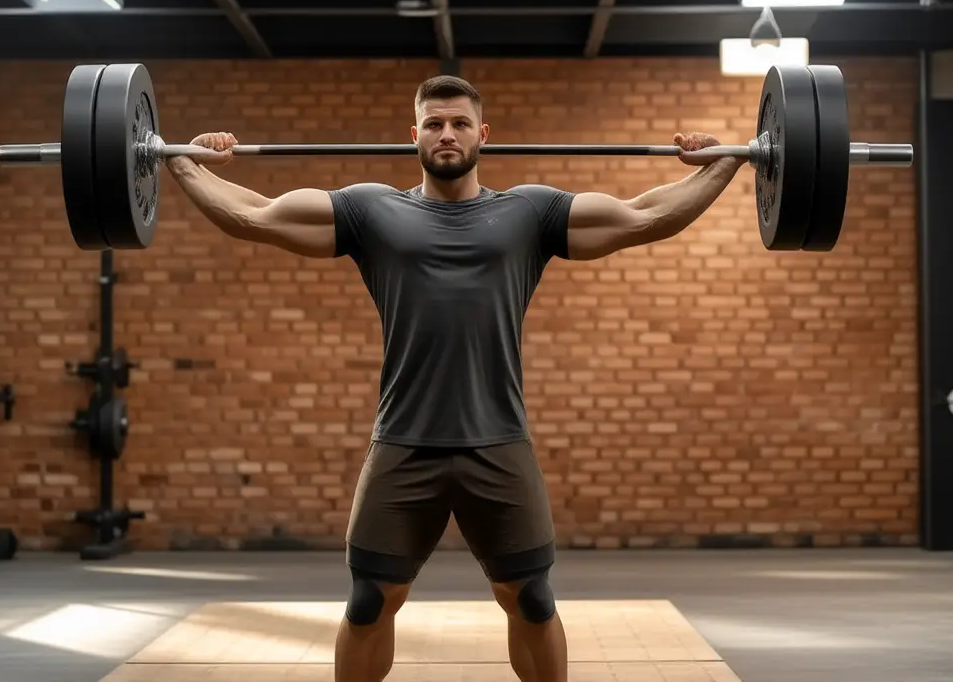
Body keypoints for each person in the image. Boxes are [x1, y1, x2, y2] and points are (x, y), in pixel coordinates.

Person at [163, 75, 746, 682]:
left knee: (532, 598)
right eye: (435, 124)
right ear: (414, 135)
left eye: (460, 123)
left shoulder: (529, 212)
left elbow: (644, 216)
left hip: (498, 442)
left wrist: (724, 164)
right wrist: (181, 162)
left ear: (482, 134)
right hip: (403, 442)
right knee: (369, 601)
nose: (447, 134)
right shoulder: (371, 211)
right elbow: (254, 215)